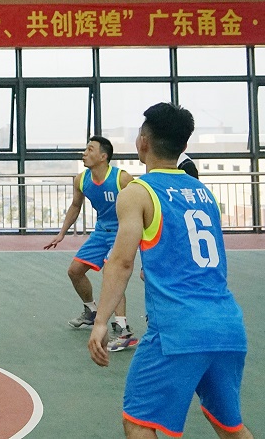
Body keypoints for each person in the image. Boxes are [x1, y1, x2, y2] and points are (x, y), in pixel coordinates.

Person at [88, 103, 252, 439]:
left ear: (143, 142)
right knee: (229, 427)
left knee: (138, 422)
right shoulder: (204, 194)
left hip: (178, 328)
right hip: (227, 325)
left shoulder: (138, 192)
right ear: (184, 145)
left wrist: (102, 321)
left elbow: (120, 262)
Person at [45, 137, 137, 351]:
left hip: (122, 232)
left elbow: (140, 204)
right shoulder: (81, 180)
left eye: (90, 149)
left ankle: (122, 329)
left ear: (103, 156)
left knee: (112, 274)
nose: (84, 153)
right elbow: (75, 206)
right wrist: (61, 233)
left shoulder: (122, 178)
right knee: (75, 271)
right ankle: (91, 311)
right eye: (85, 149)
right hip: (101, 232)